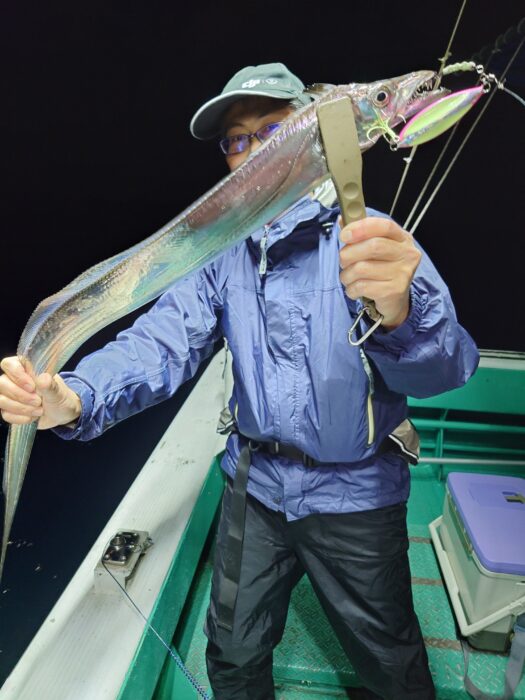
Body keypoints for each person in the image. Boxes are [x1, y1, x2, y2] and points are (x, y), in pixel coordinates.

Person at [0, 63, 479, 699]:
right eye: (235, 140)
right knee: (231, 652)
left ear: (314, 132)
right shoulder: (222, 254)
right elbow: (159, 344)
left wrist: (402, 311)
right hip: (253, 487)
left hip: (357, 493)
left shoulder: (371, 239)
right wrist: (73, 396)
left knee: (390, 659)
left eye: (271, 130)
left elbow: (447, 370)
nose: (252, 151)